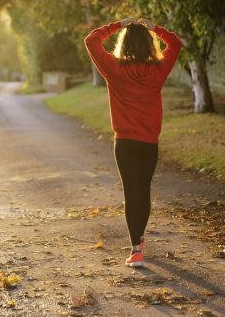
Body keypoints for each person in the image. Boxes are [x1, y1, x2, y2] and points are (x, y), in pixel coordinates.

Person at [84, 17, 183, 268]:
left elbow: (91, 40)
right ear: (149, 44)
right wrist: (155, 28)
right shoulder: (158, 70)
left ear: (124, 44)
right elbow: (175, 43)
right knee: (144, 191)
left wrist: (118, 24)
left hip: (125, 143)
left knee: (131, 192)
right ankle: (139, 239)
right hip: (149, 143)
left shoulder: (114, 69)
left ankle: (136, 249)